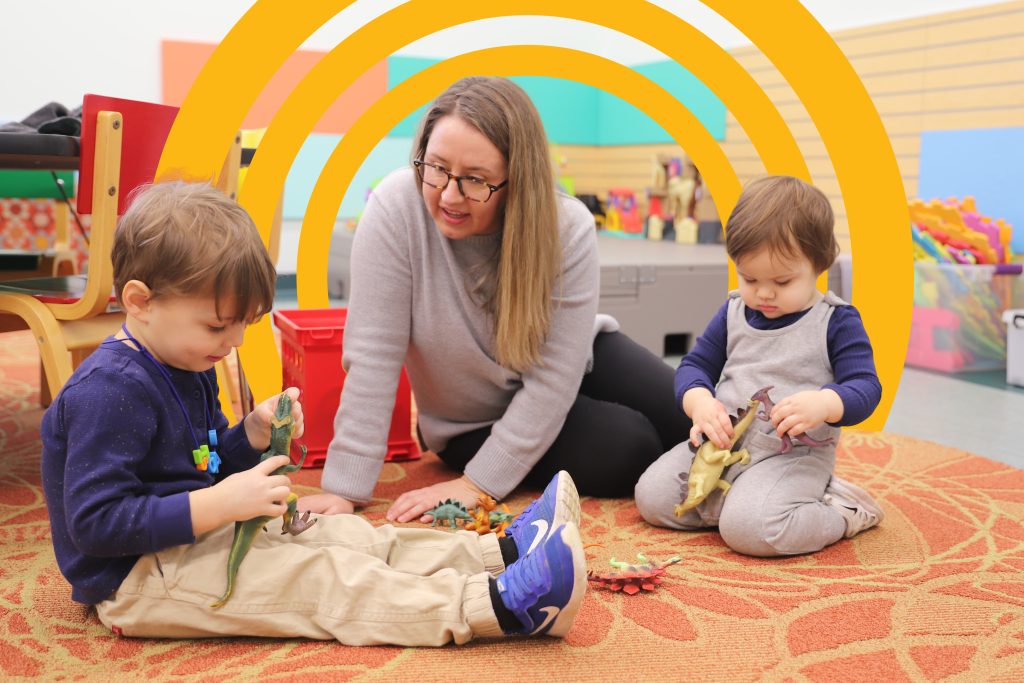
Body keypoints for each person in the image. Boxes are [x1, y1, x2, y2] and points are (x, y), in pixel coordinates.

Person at [40, 181, 588, 645]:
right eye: (217, 325)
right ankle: (499, 605)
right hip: (137, 578)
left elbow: (199, 465)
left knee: (344, 537)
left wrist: (248, 437)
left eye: (241, 326)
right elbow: (95, 525)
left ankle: (499, 552)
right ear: (139, 300)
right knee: (325, 577)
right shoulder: (108, 391)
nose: (230, 342)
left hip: (196, 535)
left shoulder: (185, 357)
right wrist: (218, 502)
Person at [303, 76, 692, 520]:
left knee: (687, 410)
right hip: (473, 420)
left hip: (573, 363)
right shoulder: (396, 208)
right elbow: (372, 355)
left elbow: (556, 375)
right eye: (436, 168)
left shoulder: (568, 226)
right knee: (632, 445)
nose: (450, 195)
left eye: (475, 180)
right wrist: (345, 489)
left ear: (515, 181)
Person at [634, 176, 885, 557]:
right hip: (722, 447)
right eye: (749, 277)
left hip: (792, 457)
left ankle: (841, 511)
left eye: (782, 281)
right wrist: (700, 403)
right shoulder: (734, 310)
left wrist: (826, 403)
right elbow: (695, 365)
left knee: (751, 531)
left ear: (819, 264)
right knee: (650, 498)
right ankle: (743, 504)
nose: (763, 293)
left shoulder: (836, 320)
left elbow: (866, 387)